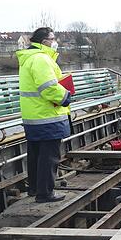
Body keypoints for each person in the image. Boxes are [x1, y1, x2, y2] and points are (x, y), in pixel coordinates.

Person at [16, 27, 71, 203]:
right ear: (43, 41)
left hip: (33, 116)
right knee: (49, 157)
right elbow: (48, 87)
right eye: (52, 38)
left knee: (36, 155)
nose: (55, 42)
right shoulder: (41, 59)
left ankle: (34, 189)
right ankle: (45, 193)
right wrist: (65, 97)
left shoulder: (29, 58)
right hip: (47, 116)